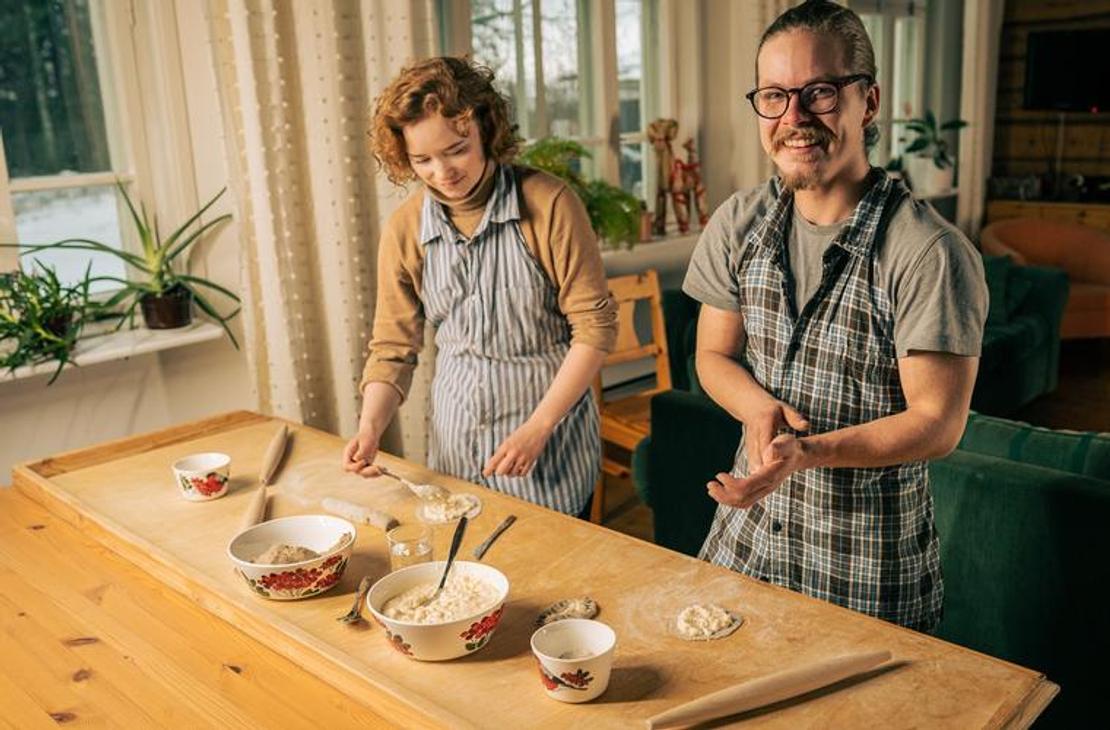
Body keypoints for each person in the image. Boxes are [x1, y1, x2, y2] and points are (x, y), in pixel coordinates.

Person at [682, 0, 987, 631]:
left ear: (867, 102)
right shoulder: (739, 223)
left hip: (864, 564)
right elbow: (712, 356)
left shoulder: (929, 252)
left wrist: (808, 452)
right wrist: (756, 409)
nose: (794, 118)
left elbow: (938, 423)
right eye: (774, 95)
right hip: (748, 535)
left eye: (819, 93)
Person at [343, 56, 616, 517]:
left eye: (456, 149)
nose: (442, 172)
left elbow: (594, 329)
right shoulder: (406, 229)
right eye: (422, 159)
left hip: (548, 445)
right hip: (455, 450)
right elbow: (393, 348)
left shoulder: (550, 205)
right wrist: (371, 427)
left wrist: (539, 427)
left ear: (486, 130)